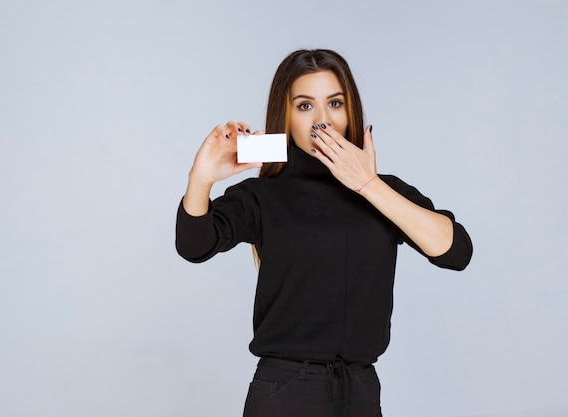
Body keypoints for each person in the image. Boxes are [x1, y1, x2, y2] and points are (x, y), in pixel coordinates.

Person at [175, 49, 473, 417]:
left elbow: (456, 251)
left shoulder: (383, 192)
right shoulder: (264, 195)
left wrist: (367, 184)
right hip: (285, 391)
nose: (322, 120)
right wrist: (200, 178)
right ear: (285, 115)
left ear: (351, 111)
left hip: (360, 389)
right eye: (304, 106)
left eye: (335, 103)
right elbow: (193, 244)